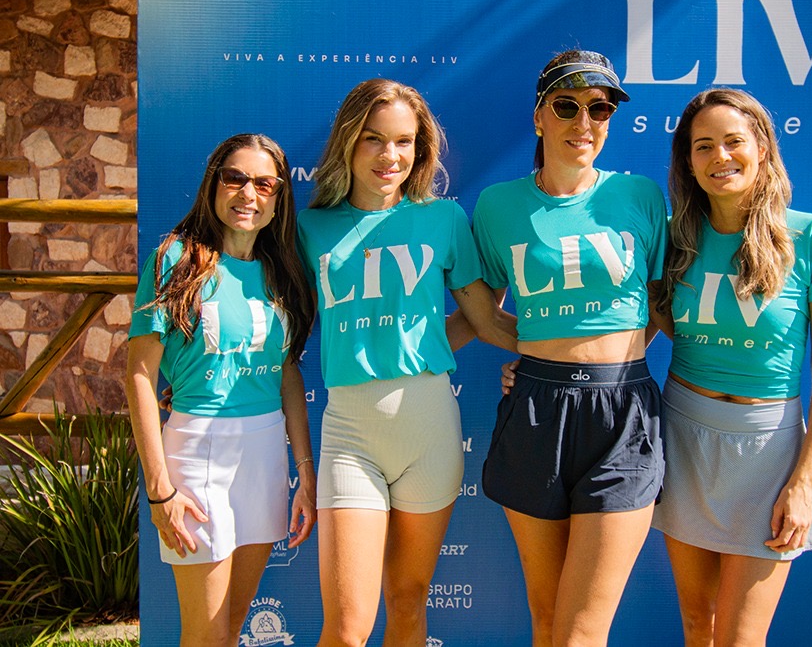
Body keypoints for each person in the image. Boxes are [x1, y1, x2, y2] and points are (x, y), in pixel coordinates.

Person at [297, 78, 517, 647]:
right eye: (374, 139)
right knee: (346, 629)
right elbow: (270, 329)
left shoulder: (443, 219)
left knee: (408, 605)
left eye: (404, 142)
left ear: (420, 150)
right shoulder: (306, 229)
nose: (389, 156)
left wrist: (578, 357)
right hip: (349, 433)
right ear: (348, 140)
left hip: (429, 429)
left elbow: (487, 320)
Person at [471, 50, 668, 646]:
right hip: (536, 411)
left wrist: (604, 357)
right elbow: (484, 312)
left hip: (624, 413)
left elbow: (658, 307)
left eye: (600, 109)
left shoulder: (639, 196)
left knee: (582, 630)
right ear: (539, 117)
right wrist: (536, 357)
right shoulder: (498, 206)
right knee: (549, 620)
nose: (584, 122)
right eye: (567, 106)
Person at [649, 88, 812, 646]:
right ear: (687, 161)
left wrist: (804, 482)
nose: (720, 157)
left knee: (741, 638)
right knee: (699, 627)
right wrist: (541, 370)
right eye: (703, 146)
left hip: (769, 454)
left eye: (734, 142)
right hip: (684, 441)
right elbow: (633, 325)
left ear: (761, 147)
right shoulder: (673, 237)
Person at [125, 133, 316, 647]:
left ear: (279, 199)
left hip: (265, 455)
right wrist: (160, 487)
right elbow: (139, 376)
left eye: (263, 183)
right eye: (234, 178)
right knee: (205, 635)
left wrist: (305, 470)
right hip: (196, 453)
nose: (247, 193)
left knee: (232, 629)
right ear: (213, 185)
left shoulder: (283, 273)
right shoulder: (177, 260)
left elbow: (288, 374)